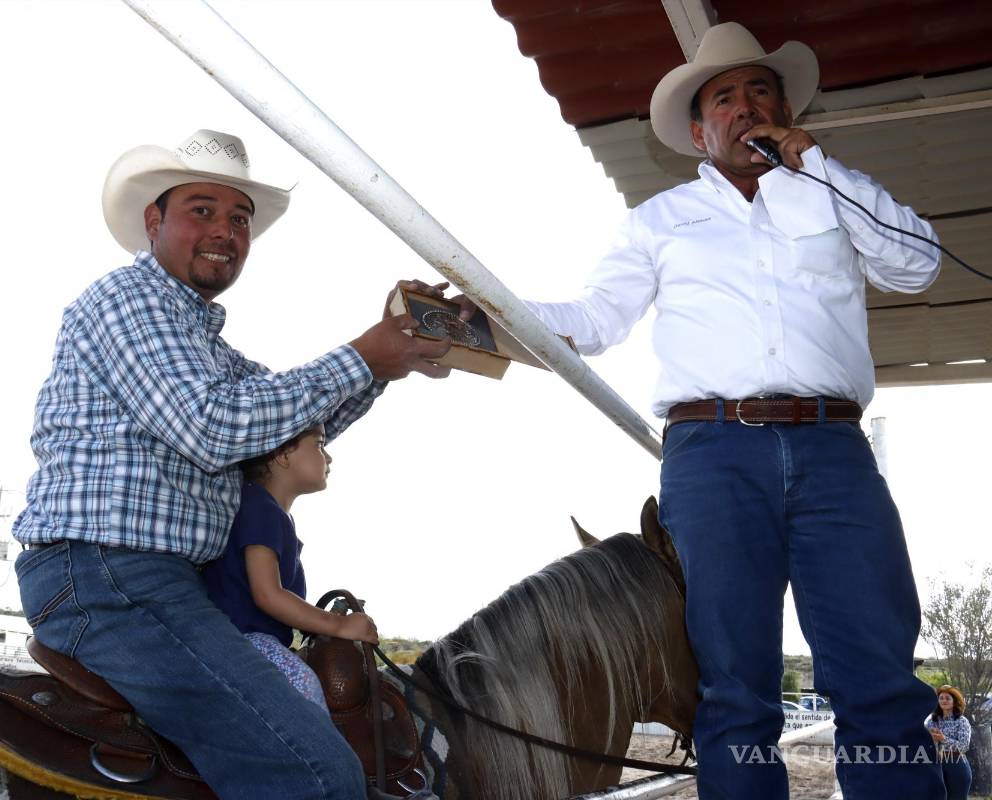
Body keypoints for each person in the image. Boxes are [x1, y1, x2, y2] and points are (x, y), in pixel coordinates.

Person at [458, 22, 946, 800]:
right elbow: (595, 319)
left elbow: (915, 263)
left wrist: (815, 164)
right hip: (713, 453)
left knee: (878, 677)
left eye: (761, 92)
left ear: (785, 114)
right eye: (726, 97)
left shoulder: (829, 191)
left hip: (835, 451)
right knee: (732, 689)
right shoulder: (659, 222)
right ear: (698, 130)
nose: (746, 107)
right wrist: (488, 315)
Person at [12, 129, 452, 800]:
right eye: (203, 210)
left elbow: (294, 427)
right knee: (318, 774)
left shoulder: (203, 346)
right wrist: (368, 354)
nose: (225, 230)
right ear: (152, 221)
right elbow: (212, 428)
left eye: (239, 218)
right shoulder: (128, 301)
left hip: (154, 582)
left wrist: (394, 351)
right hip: (106, 576)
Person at [202, 423, 379, 712]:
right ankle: (316, 757)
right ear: (283, 454)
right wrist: (339, 624)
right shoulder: (261, 508)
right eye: (320, 444)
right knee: (304, 686)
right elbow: (268, 595)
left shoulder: (262, 509)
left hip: (248, 641)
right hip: (244, 643)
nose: (329, 457)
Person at [927, 685, 973, 798]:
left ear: (955, 701)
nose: (944, 701)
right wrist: (929, 738)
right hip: (936, 765)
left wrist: (943, 739)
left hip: (957, 765)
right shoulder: (932, 721)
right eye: (941, 698)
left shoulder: (962, 721)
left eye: (947, 698)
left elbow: (963, 746)